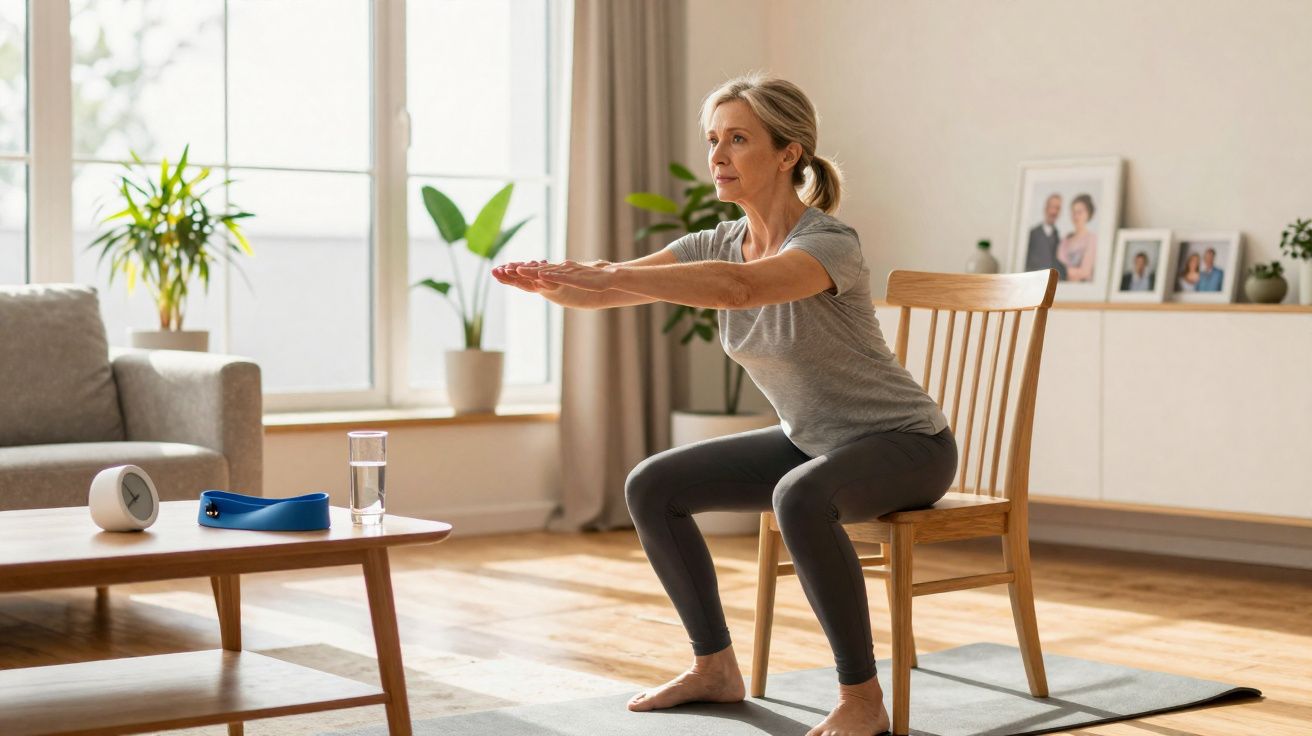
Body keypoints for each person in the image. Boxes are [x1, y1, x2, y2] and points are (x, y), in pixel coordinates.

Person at [492, 74, 955, 736]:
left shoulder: (828, 244)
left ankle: (862, 699)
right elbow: (607, 293)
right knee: (654, 484)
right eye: (713, 139)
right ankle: (715, 668)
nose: (718, 156)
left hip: (906, 444)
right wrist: (557, 281)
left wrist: (611, 274)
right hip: (812, 442)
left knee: (800, 497)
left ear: (789, 152)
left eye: (738, 139)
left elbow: (741, 290)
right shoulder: (714, 242)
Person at [1056, 194, 1097, 282]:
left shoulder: (1092, 239)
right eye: (1073, 212)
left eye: (1079, 212)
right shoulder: (1065, 240)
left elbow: (1086, 271)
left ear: (1088, 214)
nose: (1076, 216)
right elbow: (1057, 266)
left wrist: (1064, 272)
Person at [1025, 194, 1067, 280]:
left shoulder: (1058, 237)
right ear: (1046, 208)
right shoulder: (1032, 234)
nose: (1054, 212)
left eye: (1057, 208)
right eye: (1052, 207)